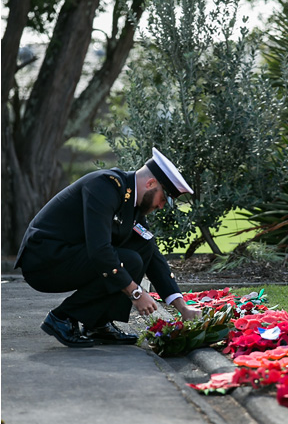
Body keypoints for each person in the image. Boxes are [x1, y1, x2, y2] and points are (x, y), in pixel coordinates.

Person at [16, 147, 201, 348]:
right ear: (150, 183)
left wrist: (183, 308)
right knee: (129, 261)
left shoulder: (133, 203)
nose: (161, 206)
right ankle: (62, 318)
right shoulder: (104, 186)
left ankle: (98, 324)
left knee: (142, 251)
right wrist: (135, 293)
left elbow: (153, 255)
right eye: (163, 199)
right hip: (43, 260)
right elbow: (100, 251)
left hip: (68, 256)